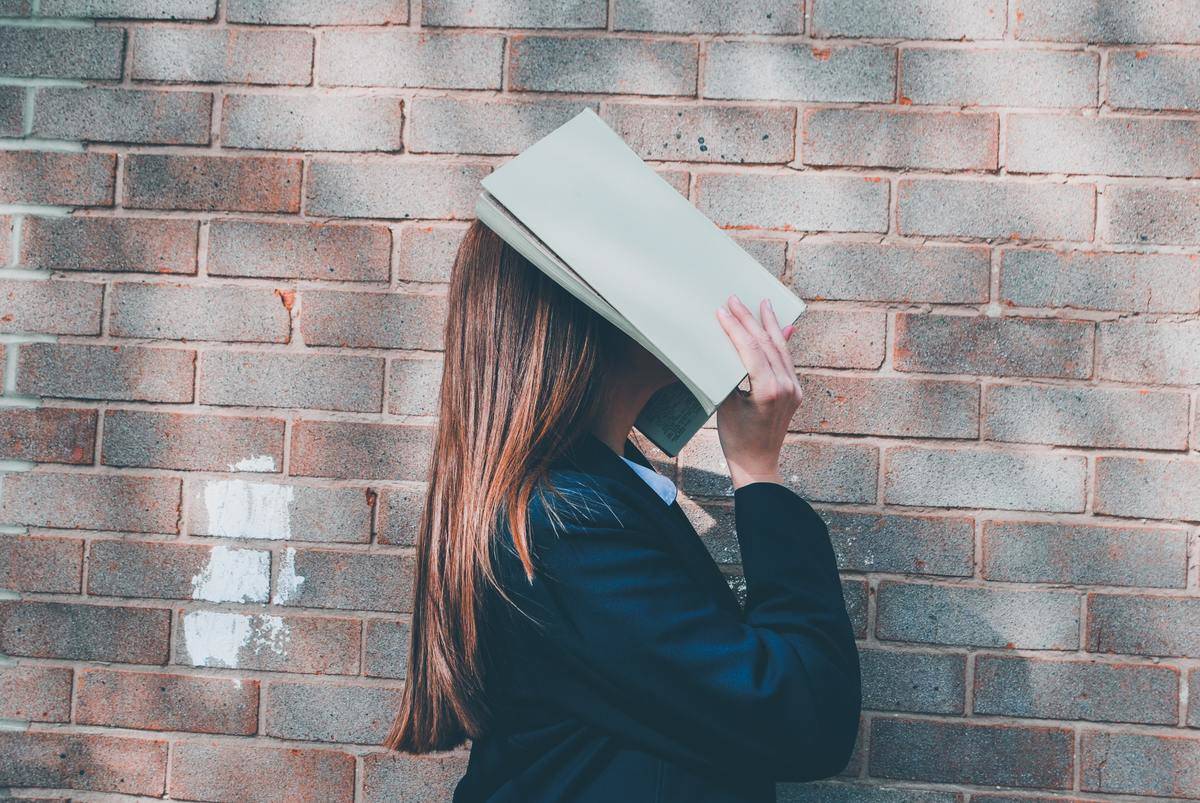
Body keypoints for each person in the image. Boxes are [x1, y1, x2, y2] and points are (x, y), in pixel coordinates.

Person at [385, 220, 862, 802]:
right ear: (585, 315)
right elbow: (803, 717)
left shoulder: (589, 498)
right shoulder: (566, 525)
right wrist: (759, 472)